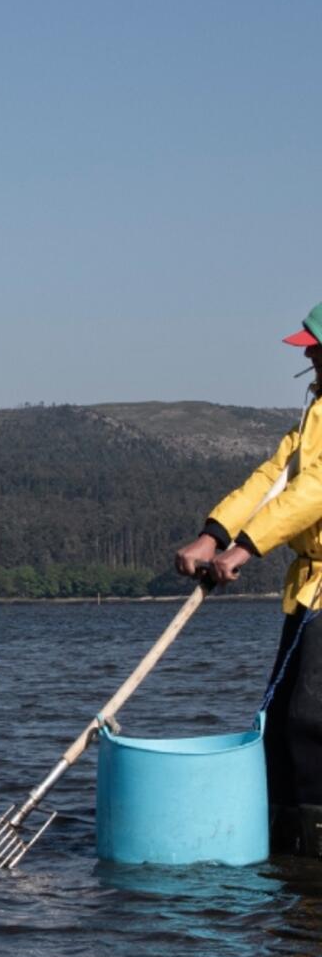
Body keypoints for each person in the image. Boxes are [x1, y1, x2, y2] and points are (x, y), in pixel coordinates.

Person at [174, 302, 322, 852]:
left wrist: (246, 548)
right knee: (281, 718)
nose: (309, 356)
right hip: (308, 593)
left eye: (316, 347)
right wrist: (213, 534)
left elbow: (313, 493)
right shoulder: (312, 418)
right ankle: (288, 844)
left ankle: (313, 848)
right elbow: (271, 481)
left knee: (311, 721)